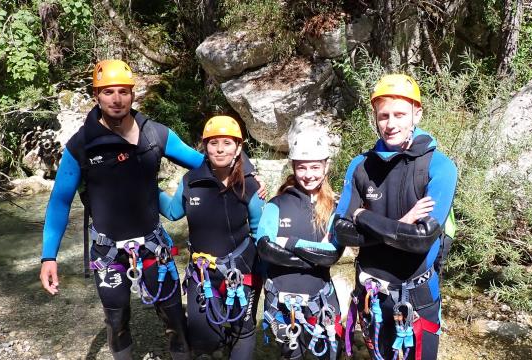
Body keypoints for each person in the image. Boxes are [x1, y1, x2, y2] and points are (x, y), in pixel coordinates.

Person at [39, 60, 266, 360]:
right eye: (108, 92)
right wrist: (48, 257)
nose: (116, 99)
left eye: (123, 91)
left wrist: (247, 175)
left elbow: (206, 159)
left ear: (133, 94)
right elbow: (59, 201)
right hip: (108, 252)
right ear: (96, 96)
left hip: (153, 247)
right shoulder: (81, 146)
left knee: (173, 317)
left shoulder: (154, 134)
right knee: (116, 319)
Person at [333, 74, 457, 360]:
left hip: (416, 296)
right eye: (383, 115)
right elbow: (341, 231)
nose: (391, 124)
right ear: (375, 117)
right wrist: (401, 225)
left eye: (399, 114)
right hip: (371, 294)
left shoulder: (439, 167)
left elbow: (421, 240)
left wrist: (362, 215)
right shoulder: (361, 166)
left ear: (417, 114)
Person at [159, 115, 264, 359]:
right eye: (213, 142)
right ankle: (219, 341)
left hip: (241, 270)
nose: (219, 149)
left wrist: (269, 272)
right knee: (203, 338)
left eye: (227, 142)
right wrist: (146, 188)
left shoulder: (249, 185)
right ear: (204, 146)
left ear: (238, 148)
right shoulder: (190, 181)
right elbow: (174, 212)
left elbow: (259, 231)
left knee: (243, 330)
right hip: (202, 272)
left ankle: (232, 341)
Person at [255, 130, 344, 359]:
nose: (308, 174)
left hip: (320, 300)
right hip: (283, 304)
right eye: (302, 167)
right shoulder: (276, 205)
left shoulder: (335, 208)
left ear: (325, 166)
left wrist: (288, 242)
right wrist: (313, 253)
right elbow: (265, 247)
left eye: (315, 167)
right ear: (293, 167)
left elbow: (331, 255)